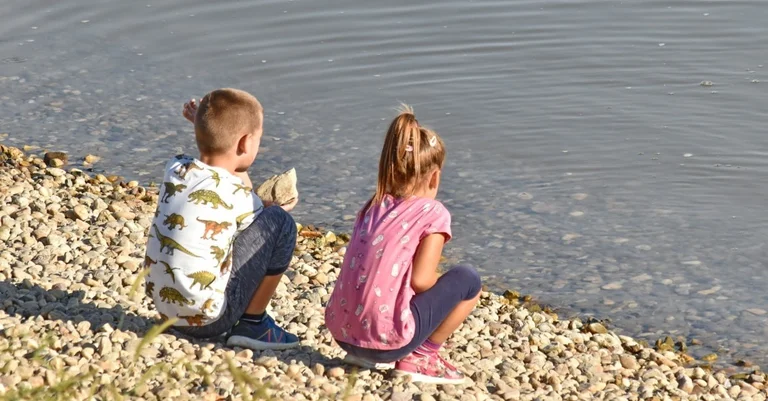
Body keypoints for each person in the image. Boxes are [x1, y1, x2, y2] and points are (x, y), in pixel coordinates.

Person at [324, 105, 482, 384]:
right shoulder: (433, 213)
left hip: (343, 334)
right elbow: (421, 281)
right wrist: (444, 292)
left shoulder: (372, 207)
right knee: (468, 280)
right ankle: (421, 356)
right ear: (435, 177)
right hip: (388, 342)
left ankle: (366, 352)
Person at [144, 88, 299, 350]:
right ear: (244, 144)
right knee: (280, 223)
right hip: (209, 321)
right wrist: (278, 209)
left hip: (165, 311)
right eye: (258, 140)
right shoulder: (237, 195)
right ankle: (254, 323)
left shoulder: (176, 167)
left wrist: (205, 128)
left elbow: (221, 167)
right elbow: (254, 211)